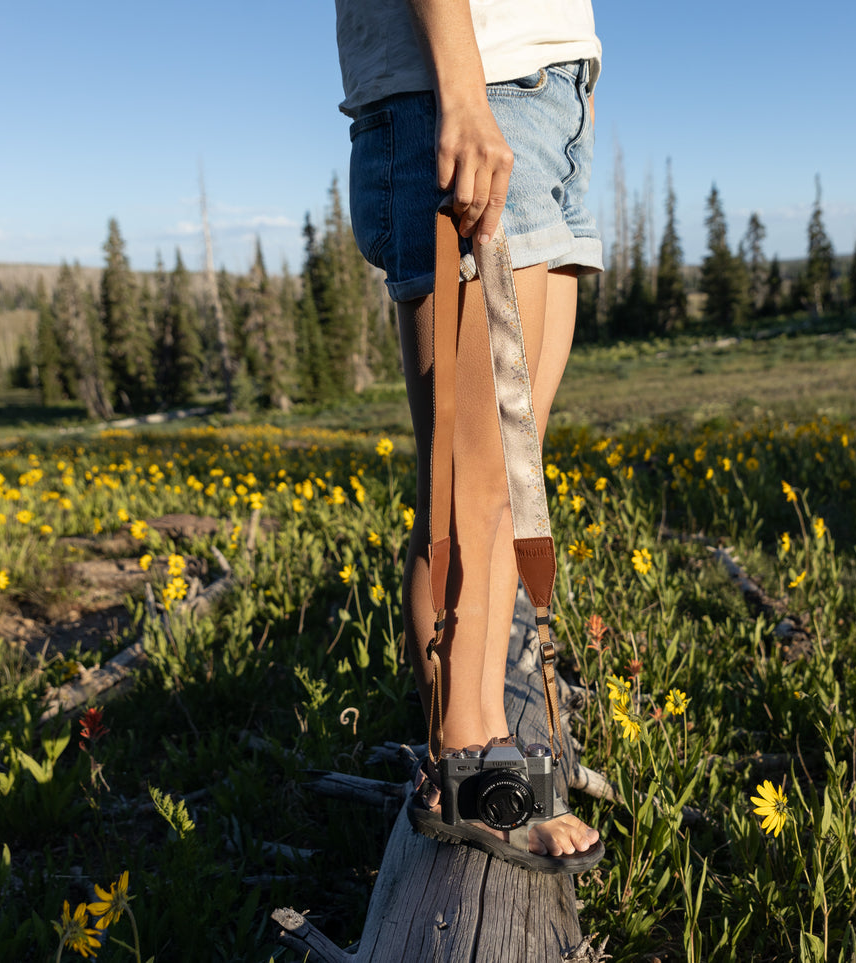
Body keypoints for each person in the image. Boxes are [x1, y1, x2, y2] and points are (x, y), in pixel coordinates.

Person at [334, 0, 603, 872]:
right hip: (463, 89)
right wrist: (459, 90)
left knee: (504, 471)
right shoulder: (460, 93)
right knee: (467, 482)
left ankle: (488, 736)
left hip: (548, 88)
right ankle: (465, 770)